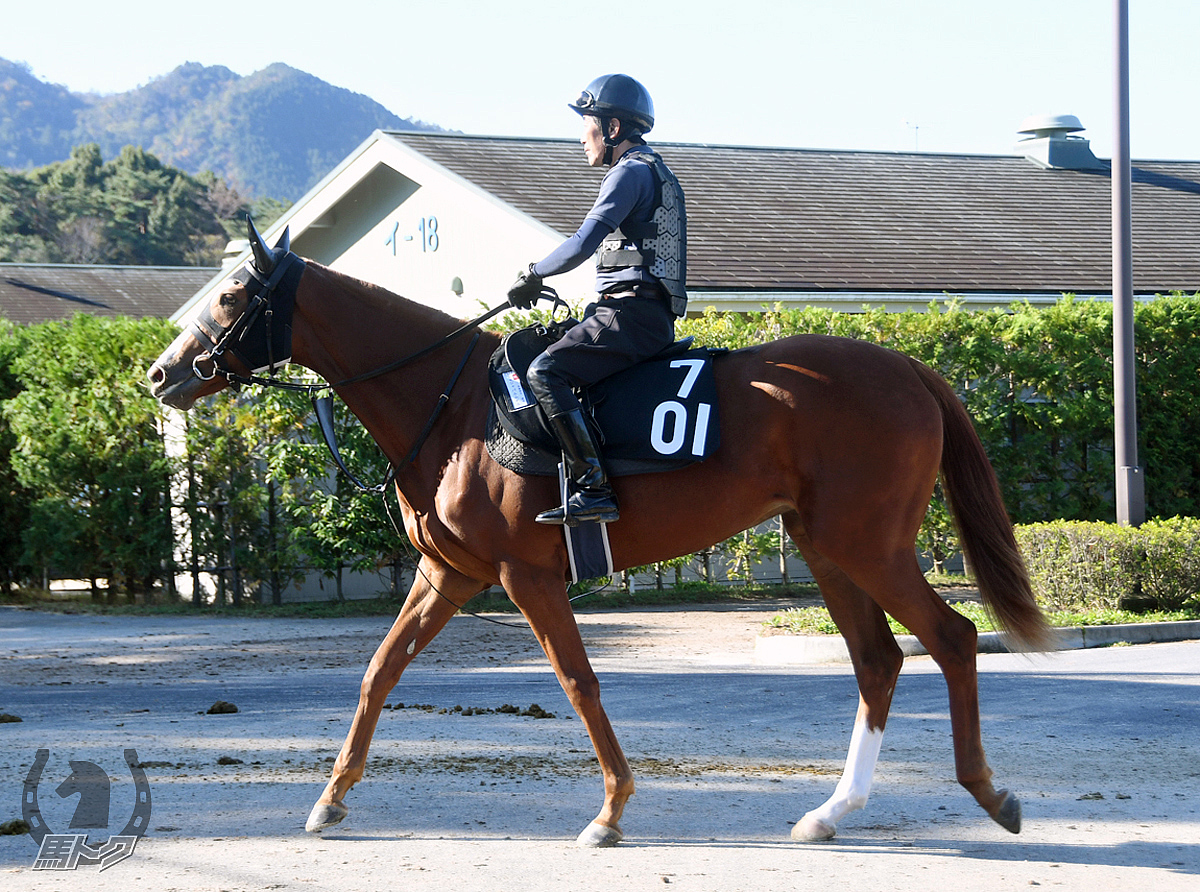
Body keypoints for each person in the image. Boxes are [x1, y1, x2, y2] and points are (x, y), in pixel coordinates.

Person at [507, 73, 688, 526]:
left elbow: (582, 243)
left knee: (545, 370)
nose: (580, 136)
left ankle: (593, 487)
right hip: (637, 311)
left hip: (630, 313)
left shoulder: (629, 172)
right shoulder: (650, 169)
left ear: (611, 128)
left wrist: (532, 273)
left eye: (586, 122)